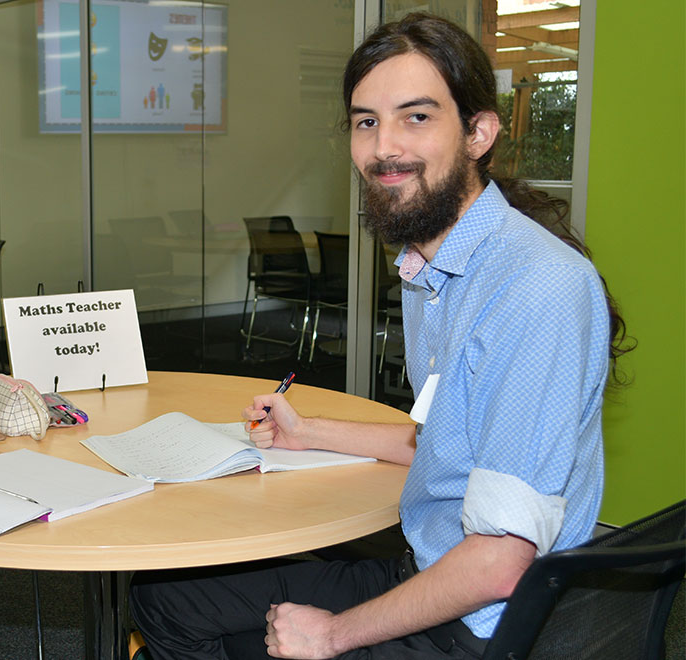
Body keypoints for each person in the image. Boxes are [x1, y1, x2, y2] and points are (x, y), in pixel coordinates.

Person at [130, 13, 628, 659]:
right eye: (367, 121)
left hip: (479, 625)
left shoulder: (535, 286)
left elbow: (500, 561)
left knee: (236, 635)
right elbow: (445, 439)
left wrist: (331, 634)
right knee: (165, 598)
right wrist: (306, 433)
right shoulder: (432, 270)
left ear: (478, 132)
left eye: (416, 117)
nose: (384, 146)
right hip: (429, 569)